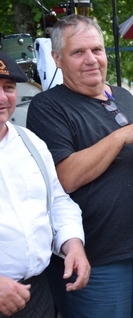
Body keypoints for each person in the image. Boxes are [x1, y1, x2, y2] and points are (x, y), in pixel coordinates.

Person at [26, 14, 133, 318]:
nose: (91, 59)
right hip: (98, 258)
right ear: (56, 58)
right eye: (78, 52)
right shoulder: (47, 106)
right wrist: (121, 136)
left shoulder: (124, 96)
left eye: (97, 49)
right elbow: (65, 177)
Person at [0, 52, 89, 318]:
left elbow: (57, 202)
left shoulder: (31, 143)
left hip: (36, 294)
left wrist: (73, 244)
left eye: (9, 88)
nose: (3, 99)